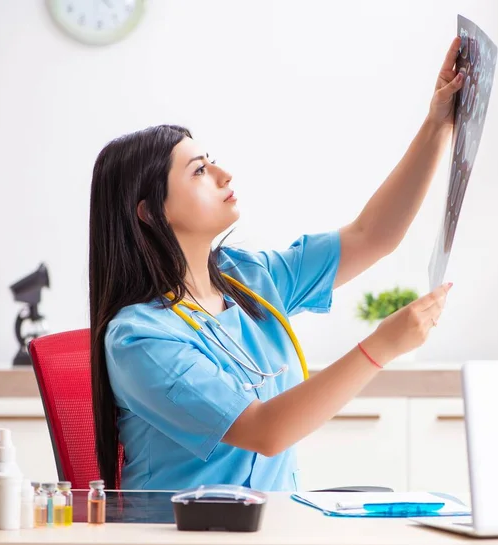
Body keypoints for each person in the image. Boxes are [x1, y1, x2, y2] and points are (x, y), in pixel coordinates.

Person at [89, 37, 463, 491]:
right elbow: (265, 431)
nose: (224, 175)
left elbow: (373, 235)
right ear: (150, 211)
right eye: (199, 171)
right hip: (181, 532)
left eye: (212, 163)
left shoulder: (247, 278)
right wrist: (381, 346)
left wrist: (438, 123)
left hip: (271, 524)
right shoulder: (140, 339)